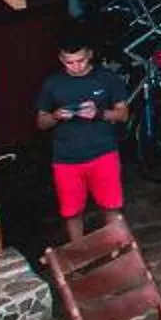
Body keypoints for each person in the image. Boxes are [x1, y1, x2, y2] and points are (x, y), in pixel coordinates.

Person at [33, 35, 130, 242]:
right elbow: (41, 122)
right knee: (71, 212)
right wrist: (55, 116)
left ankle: (119, 250)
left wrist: (99, 113)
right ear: (61, 59)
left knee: (111, 206)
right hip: (66, 158)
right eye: (70, 62)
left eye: (81, 61)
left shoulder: (107, 78)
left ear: (89, 55)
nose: (76, 66)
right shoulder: (53, 84)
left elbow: (123, 114)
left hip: (103, 152)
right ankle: (80, 252)